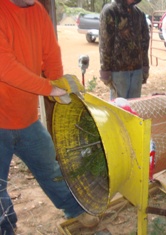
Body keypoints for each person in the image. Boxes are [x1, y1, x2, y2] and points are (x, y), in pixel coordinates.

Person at [0, 0, 99, 233]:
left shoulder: (37, 10)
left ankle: (74, 209)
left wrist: (57, 83)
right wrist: (49, 88)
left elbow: (50, 51)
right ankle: (6, 227)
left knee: (50, 167)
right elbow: (5, 66)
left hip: (26, 118)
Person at [99, 0, 150, 100]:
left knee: (134, 107)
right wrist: (105, 69)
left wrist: (145, 67)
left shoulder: (139, 13)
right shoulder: (110, 11)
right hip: (118, 71)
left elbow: (145, 42)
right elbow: (105, 43)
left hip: (137, 70)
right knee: (119, 109)